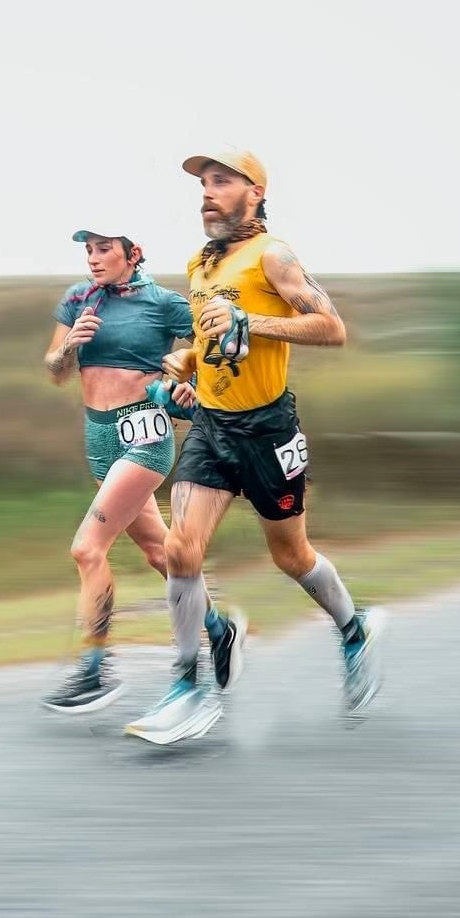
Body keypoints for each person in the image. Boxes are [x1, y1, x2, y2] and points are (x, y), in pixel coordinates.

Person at [123, 150, 388, 745]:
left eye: (222, 181)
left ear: (256, 193)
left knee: (290, 556)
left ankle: (354, 630)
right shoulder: (199, 265)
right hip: (212, 427)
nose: (207, 192)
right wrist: (186, 362)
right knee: (181, 549)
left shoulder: (274, 255)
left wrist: (253, 322)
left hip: (269, 431)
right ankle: (187, 687)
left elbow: (332, 328)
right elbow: (209, 337)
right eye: (203, 183)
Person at [39, 227, 239, 714]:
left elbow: (212, 352)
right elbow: (55, 371)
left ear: (133, 254)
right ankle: (218, 628)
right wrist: (69, 348)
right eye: (88, 250)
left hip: (144, 433)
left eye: (104, 248)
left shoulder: (163, 303)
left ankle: (94, 671)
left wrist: (190, 387)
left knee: (87, 549)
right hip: (99, 437)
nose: (93, 258)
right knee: (158, 552)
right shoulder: (78, 298)